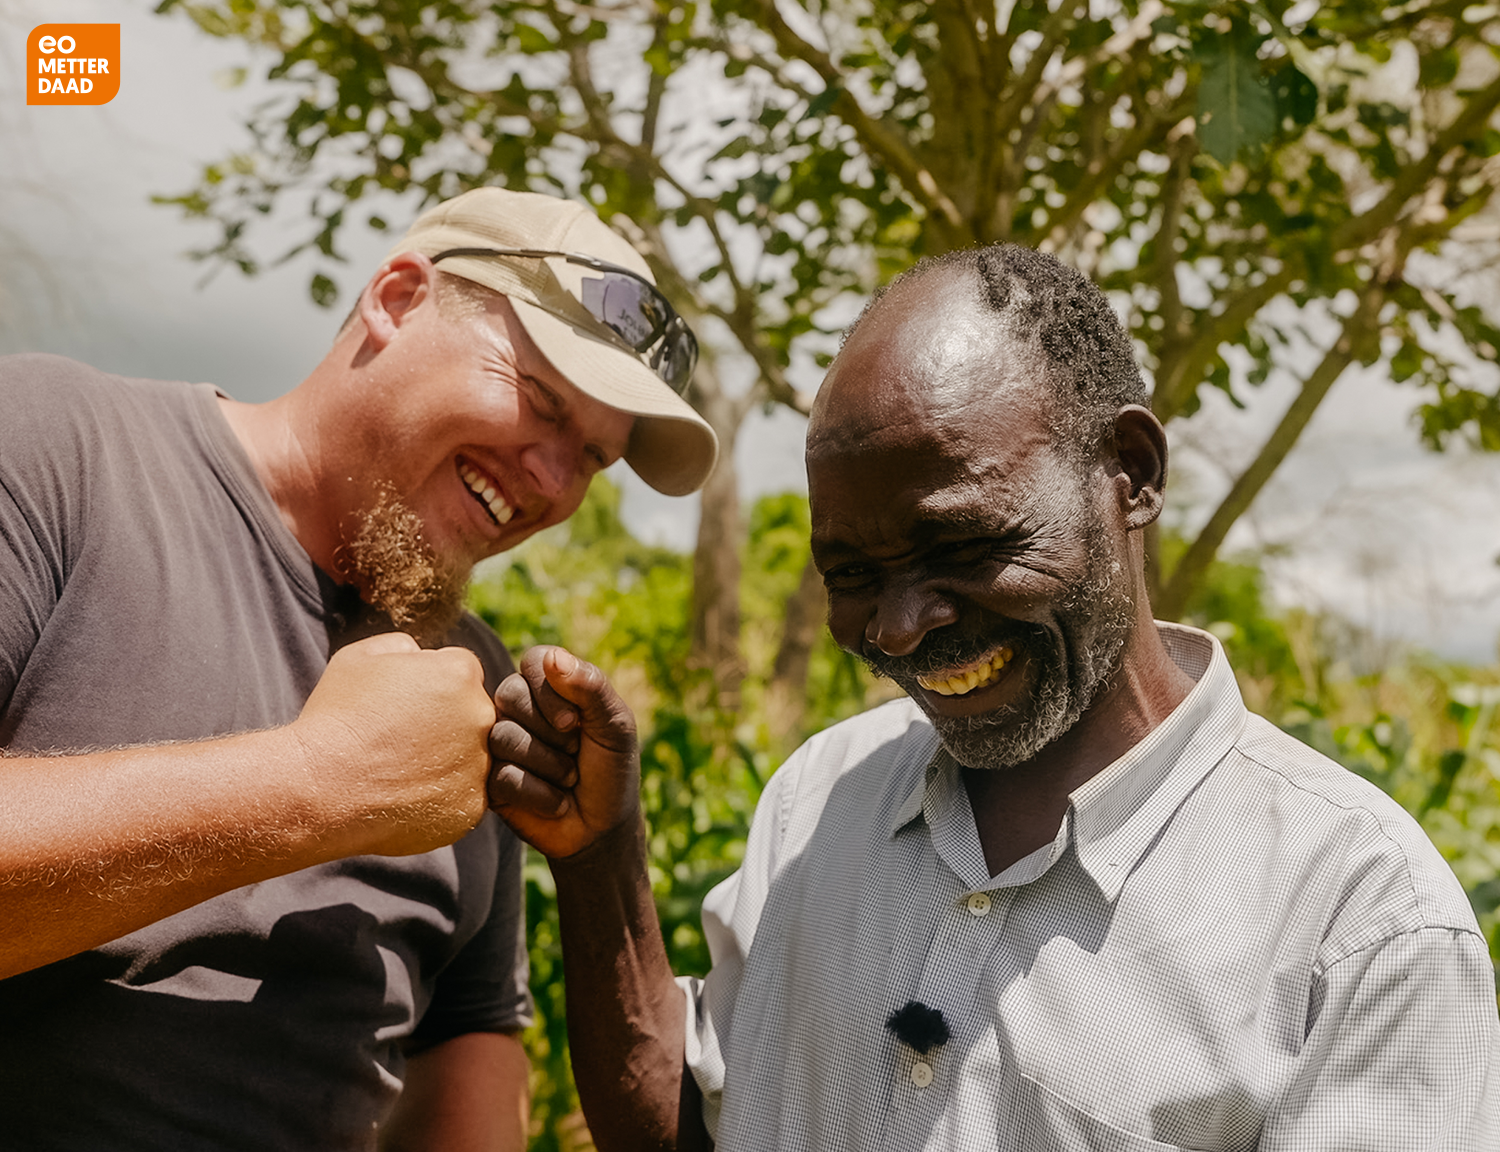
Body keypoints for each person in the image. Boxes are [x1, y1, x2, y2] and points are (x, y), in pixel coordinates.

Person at [489, 244, 1500, 1151]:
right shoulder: (819, 798)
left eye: (964, 545)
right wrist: (599, 857)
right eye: (851, 575)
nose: (897, 628)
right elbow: (691, 1127)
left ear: (1131, 474)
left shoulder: (1358, 923)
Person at [0, 187, 716, 1150]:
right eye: (540, 400)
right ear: (397, 299)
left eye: (591, 457)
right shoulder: (53, 450)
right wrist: (318, 783)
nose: (553, 480)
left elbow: (466, 1047)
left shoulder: (476, 684)